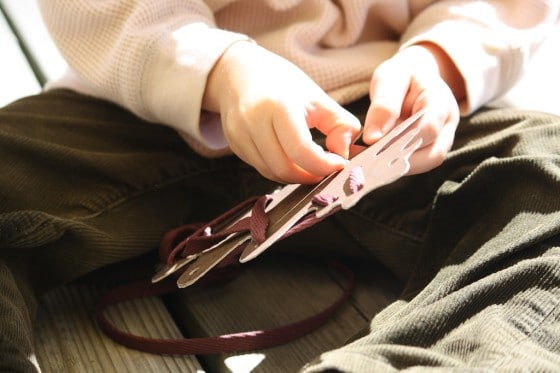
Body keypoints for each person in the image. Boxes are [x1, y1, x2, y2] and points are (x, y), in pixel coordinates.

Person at [1, 0, 560, 371]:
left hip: (381, 118)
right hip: (145, 100)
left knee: (548, 180)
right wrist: (221, 68)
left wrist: (439, 58)